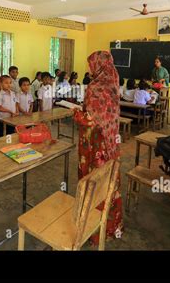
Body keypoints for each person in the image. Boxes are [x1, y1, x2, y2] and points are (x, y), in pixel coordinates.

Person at [72, 50, 123, 244]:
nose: (89, 68)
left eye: (91, 64)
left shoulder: (95, 87)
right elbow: (106, 116)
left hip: (94, 144)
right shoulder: (113, 83)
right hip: (111, 142)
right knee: (107, 182)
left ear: (98, 65)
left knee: (92, 182)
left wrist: (77, 113)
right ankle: (110, 226)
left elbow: (91, 120)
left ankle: (91, 230)